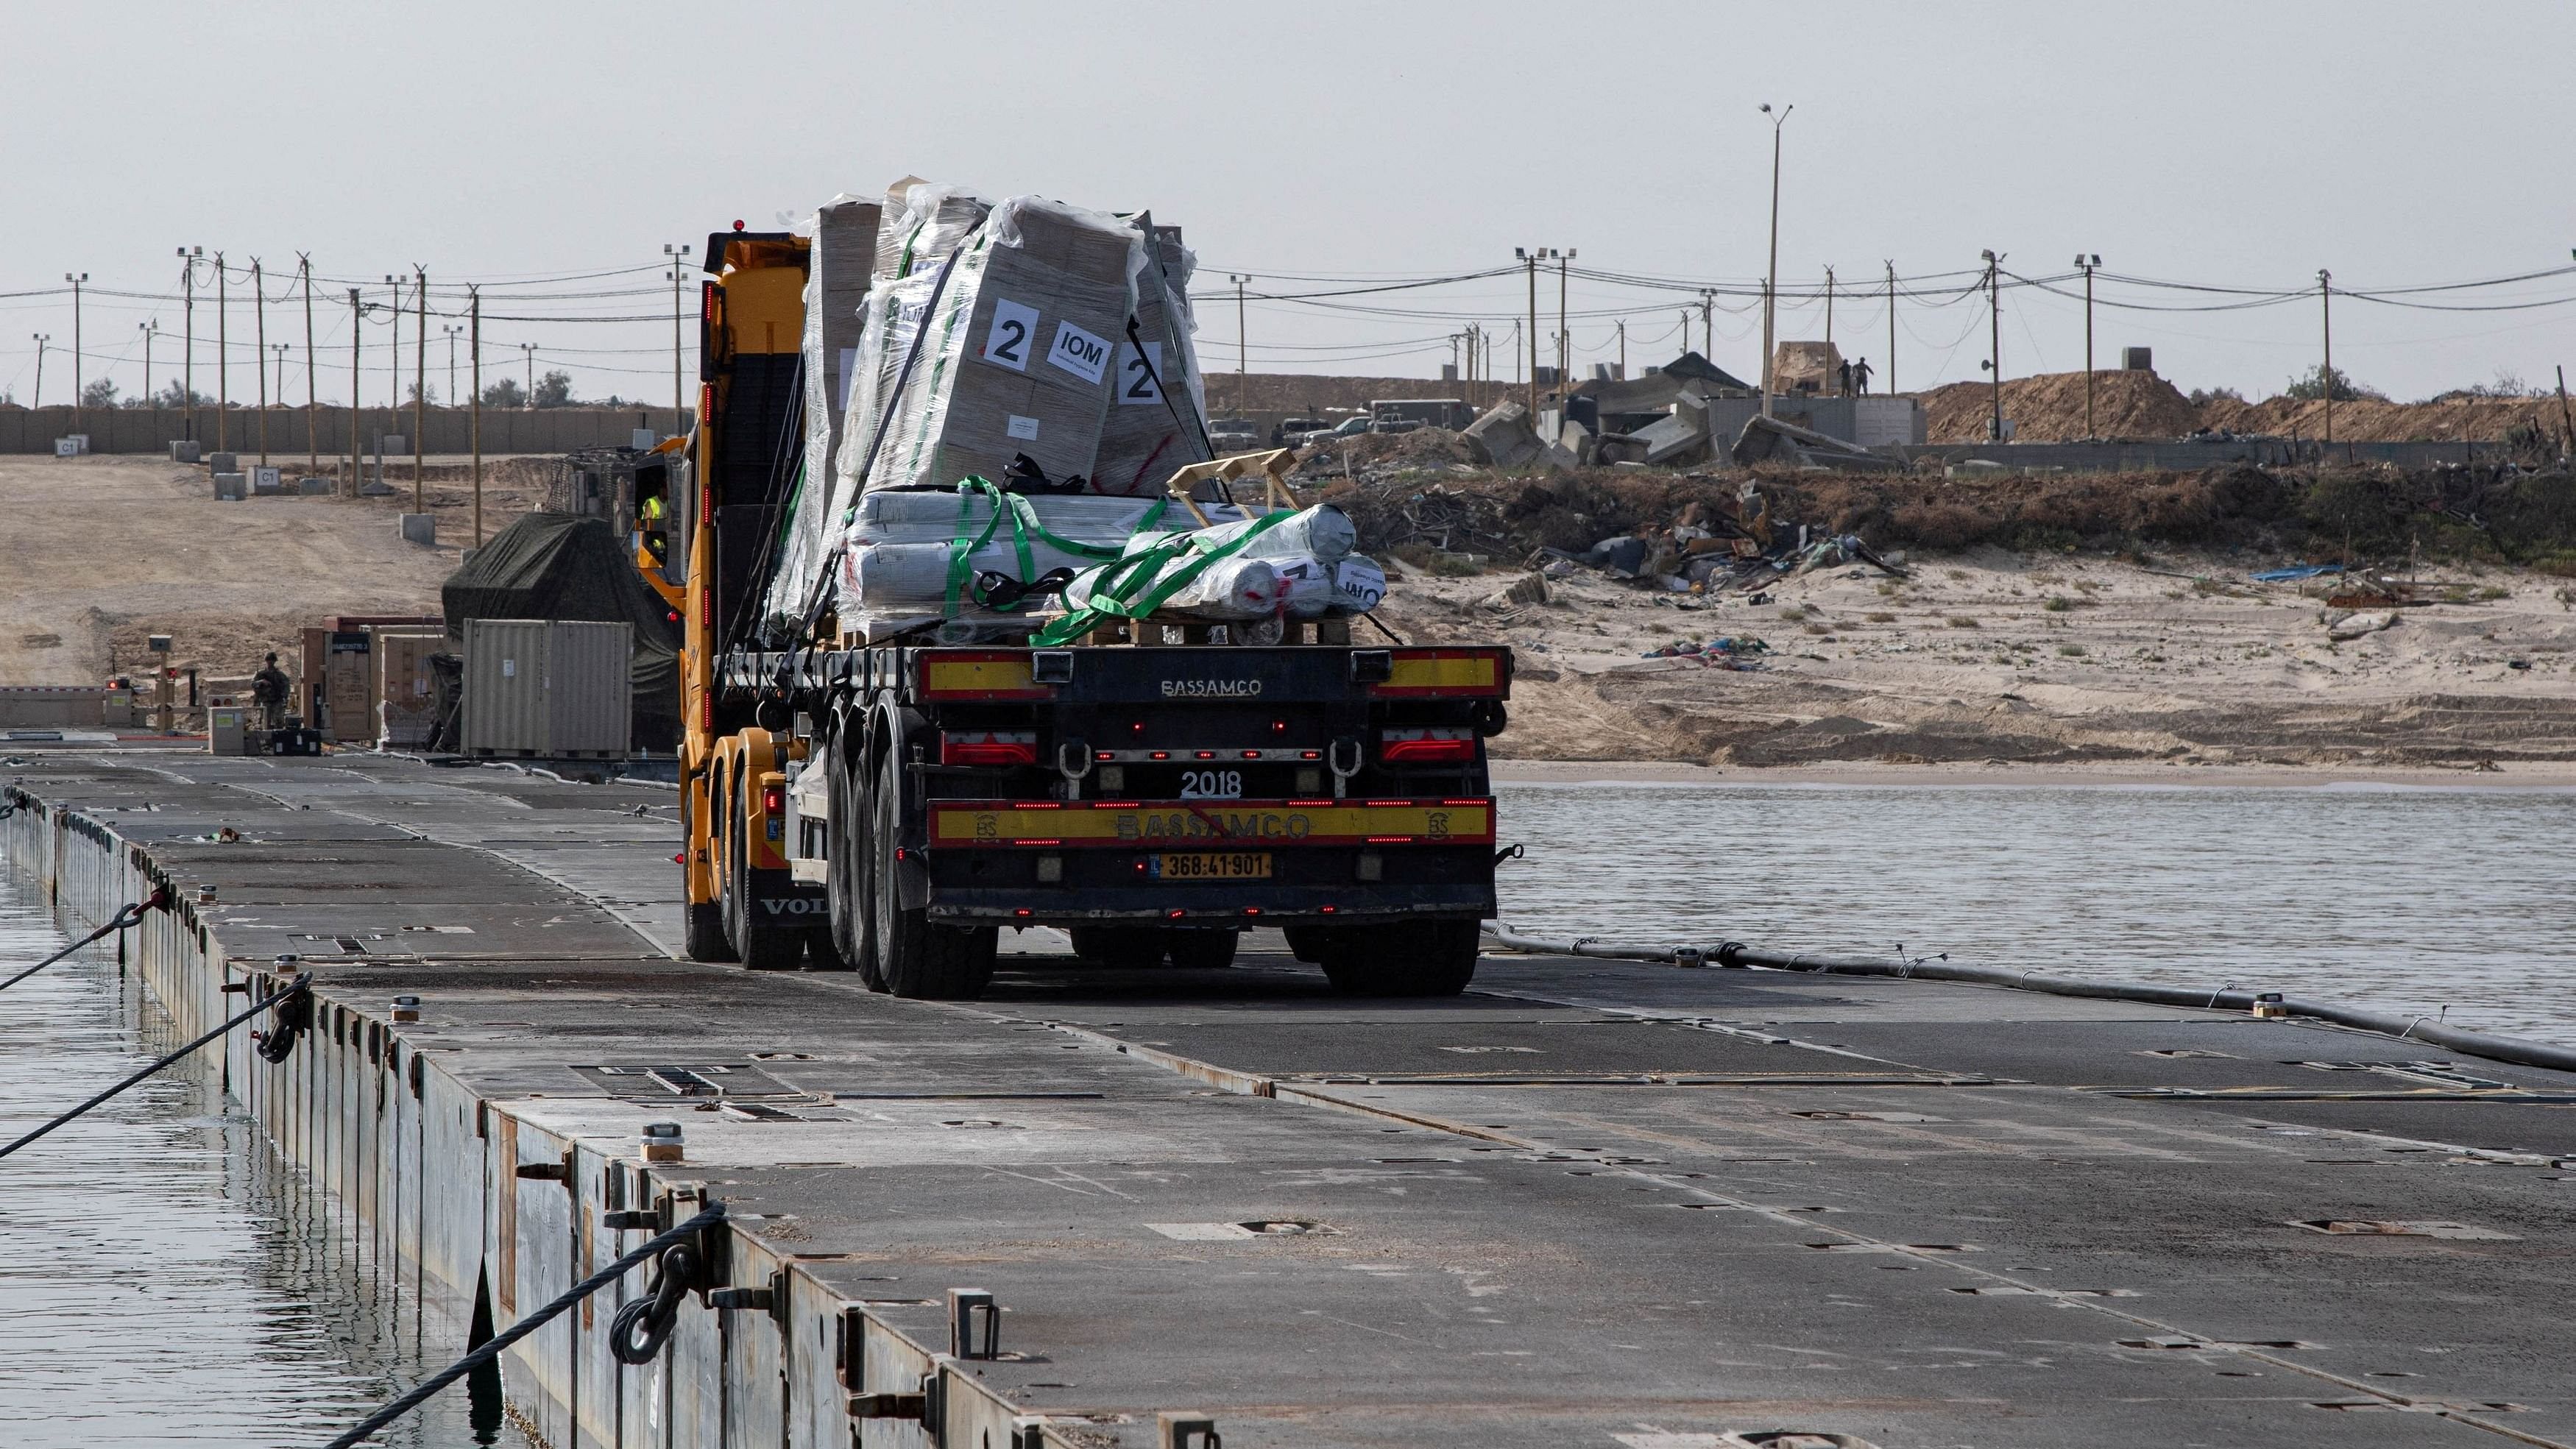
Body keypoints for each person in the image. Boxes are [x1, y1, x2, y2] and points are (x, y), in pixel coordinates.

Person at [251, 652, 292, 729]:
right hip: (265, 700)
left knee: (279, 721)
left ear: (275, 661)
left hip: (277, 700)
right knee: (266, 722)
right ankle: (267, 739)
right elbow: (253, 684)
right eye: (268, 660)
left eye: (272, 660)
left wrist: (284, 696)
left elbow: (286, 686)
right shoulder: (260, 674)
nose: (270, 662)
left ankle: (278, 738)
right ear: (266, 661)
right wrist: (261, 681)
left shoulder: (279, 674)